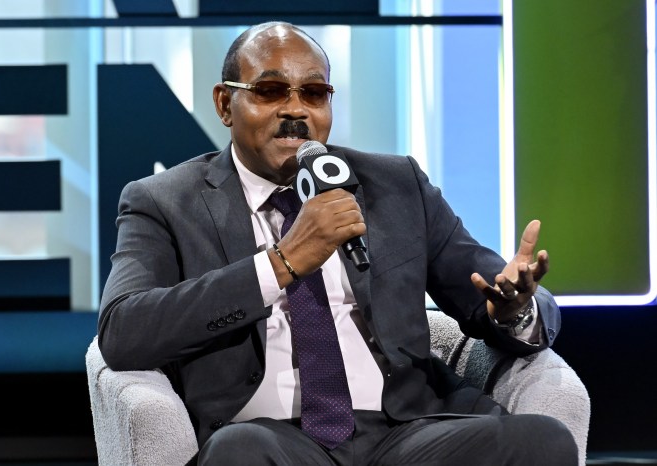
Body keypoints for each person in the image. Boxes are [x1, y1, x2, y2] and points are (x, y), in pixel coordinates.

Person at [97, 21, 578, 465]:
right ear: (225, 104)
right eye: (269, 91)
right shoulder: (163, 201)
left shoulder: (395, 182)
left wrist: (514, 307)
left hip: (406, 430)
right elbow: (123, 333)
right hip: (270, 437)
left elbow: (482, 282)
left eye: (313, 93)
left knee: (544, 439)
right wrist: (280, 264)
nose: (295, 110)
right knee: (239, 454)